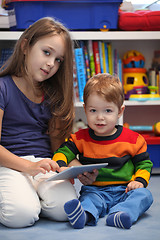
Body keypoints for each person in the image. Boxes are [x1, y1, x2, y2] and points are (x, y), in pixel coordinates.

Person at [0, 17, 78, 228]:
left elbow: (57, 147)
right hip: (10, 165)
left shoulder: (53, 95)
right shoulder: (3, 88)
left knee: (67, 209)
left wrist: (72, 166)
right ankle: (26, 197)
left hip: (43, 165)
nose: (51, 63)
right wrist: (29, 167)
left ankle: (31, 196)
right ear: (25, 46)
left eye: (59, 59)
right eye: (46, 52)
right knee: (20, 216)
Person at [53, 73, 153, 229]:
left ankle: (121, 214)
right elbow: (61, 152)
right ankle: (83, 216)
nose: (100, 117)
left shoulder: (134, 139)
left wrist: (139, 181)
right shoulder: (80, 138)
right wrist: (61, 165)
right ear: (85, 109)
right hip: (95, 190)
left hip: (125, 189)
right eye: (93, 111)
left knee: (145, 195)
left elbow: (144, 164)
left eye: (108, 111)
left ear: (120, 111)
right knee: (88, 200)